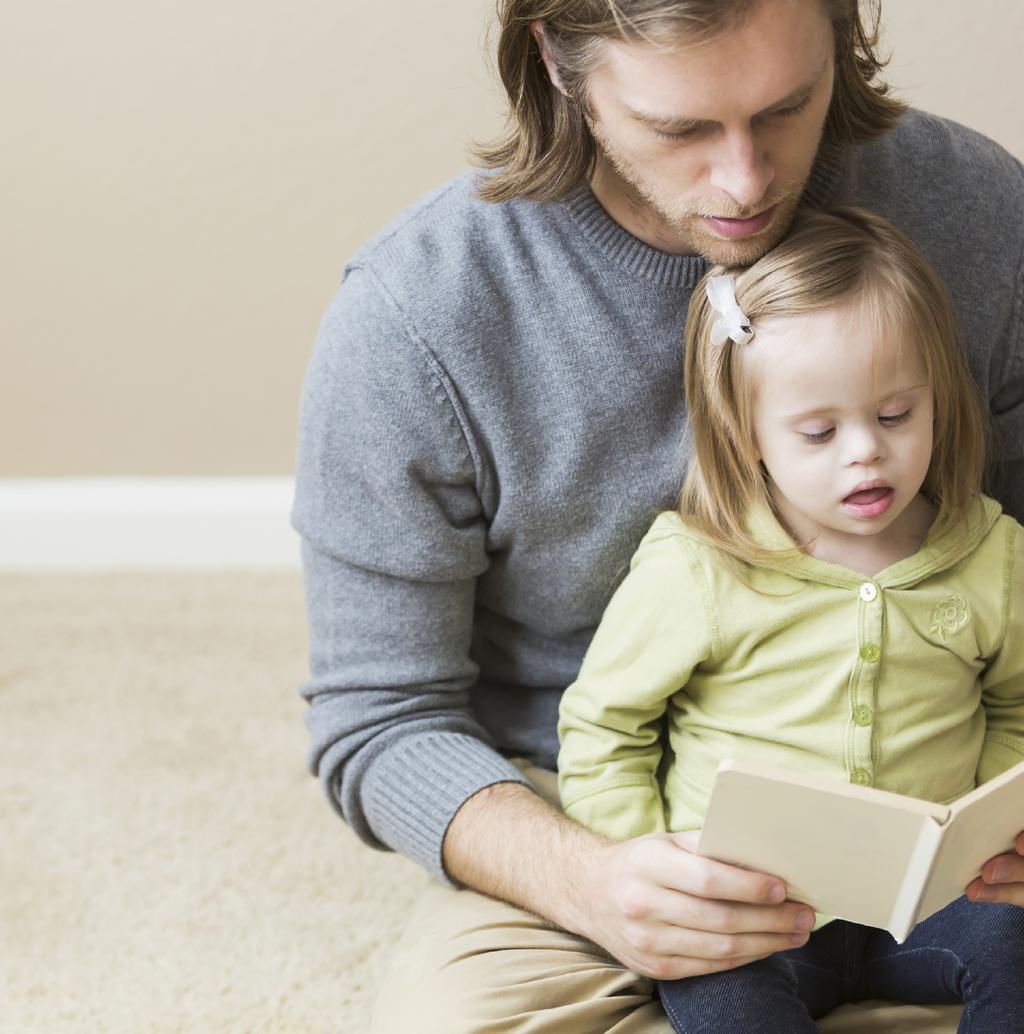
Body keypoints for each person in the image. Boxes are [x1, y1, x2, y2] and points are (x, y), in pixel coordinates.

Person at [291, 1, 1024, 1030]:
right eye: (680, 128)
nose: (745, 179)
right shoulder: (415, 318)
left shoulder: (981, 212)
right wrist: (593, 879)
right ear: (559, 63)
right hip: (586, 805)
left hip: (942, 792)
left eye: (787, 106)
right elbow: (379, 721)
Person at [557, 205, 1024, 1033]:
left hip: (932, 905)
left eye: (895, 416)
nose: (865, 453)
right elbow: (604, 730)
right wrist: (644, 861)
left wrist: (989, 835)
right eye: (817, 431)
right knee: (722, 995)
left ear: (937, 400)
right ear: (748, 437)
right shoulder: (700, 565)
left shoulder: (989, 552)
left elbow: (1016, 707)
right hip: (750, 913)